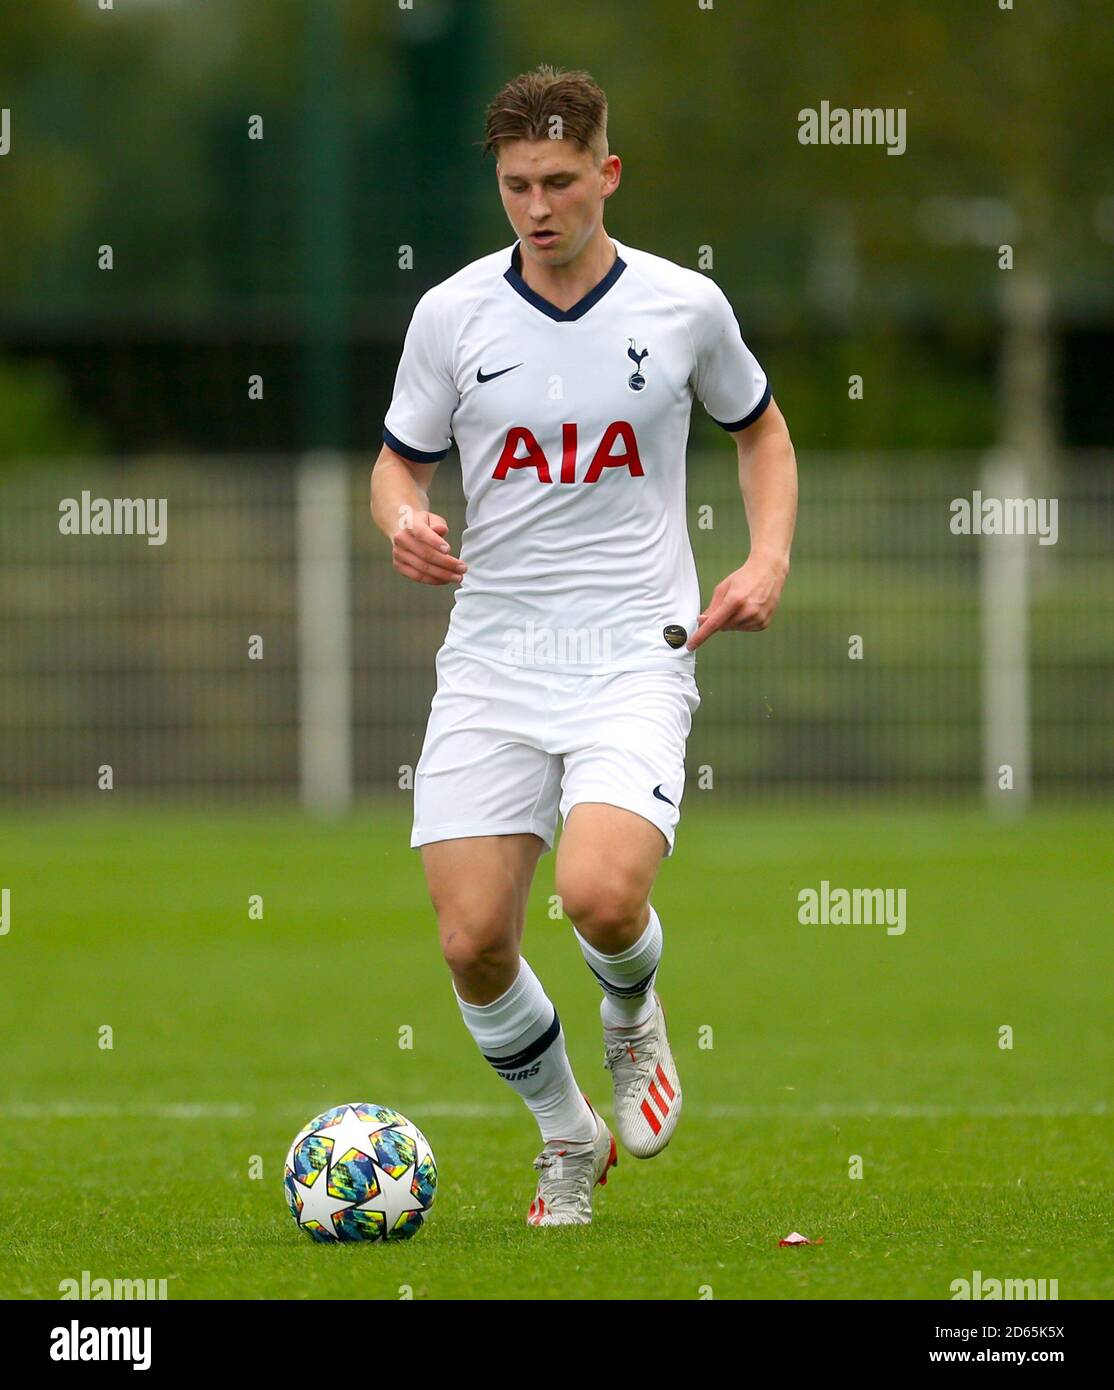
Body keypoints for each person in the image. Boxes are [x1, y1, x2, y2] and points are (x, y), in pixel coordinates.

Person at [371, 65, 798, 1225]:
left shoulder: (682, 306)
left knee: (601, 897)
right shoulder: (451, 313)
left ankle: (631, 1006)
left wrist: (764, 559)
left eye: (561, 181)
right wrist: (402, 520)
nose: (538, 206)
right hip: (493, 655)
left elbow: (762, 434)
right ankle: (568, 1132)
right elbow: (397, 462)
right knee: (470, 941)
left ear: (606, 173)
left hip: (631, 649)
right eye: (516, 185)